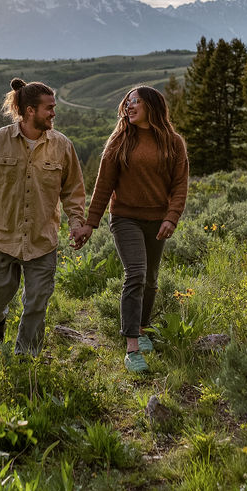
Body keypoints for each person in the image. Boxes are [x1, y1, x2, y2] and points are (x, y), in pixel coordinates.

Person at [70, 86, 189, 373]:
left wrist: (171, 217)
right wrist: (90, 223)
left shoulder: (173, 142)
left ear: (152, 106)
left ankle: (143, 326)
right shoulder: (120, 140)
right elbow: (103, 186)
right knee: (135, 273)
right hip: (124, 218)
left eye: (136, 102)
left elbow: (179, 184)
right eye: (127, 102)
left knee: (150, 278)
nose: (129, 106)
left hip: (157, 219)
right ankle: (132, 346)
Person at [0, 78, 87, 356]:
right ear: (30, 110)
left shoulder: (62, 146)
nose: (54, 113)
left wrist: (77, 223)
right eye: (49, 108)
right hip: (1, 236)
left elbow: (73, 191)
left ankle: (26, 357)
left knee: (37, 303)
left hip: (43, 240)